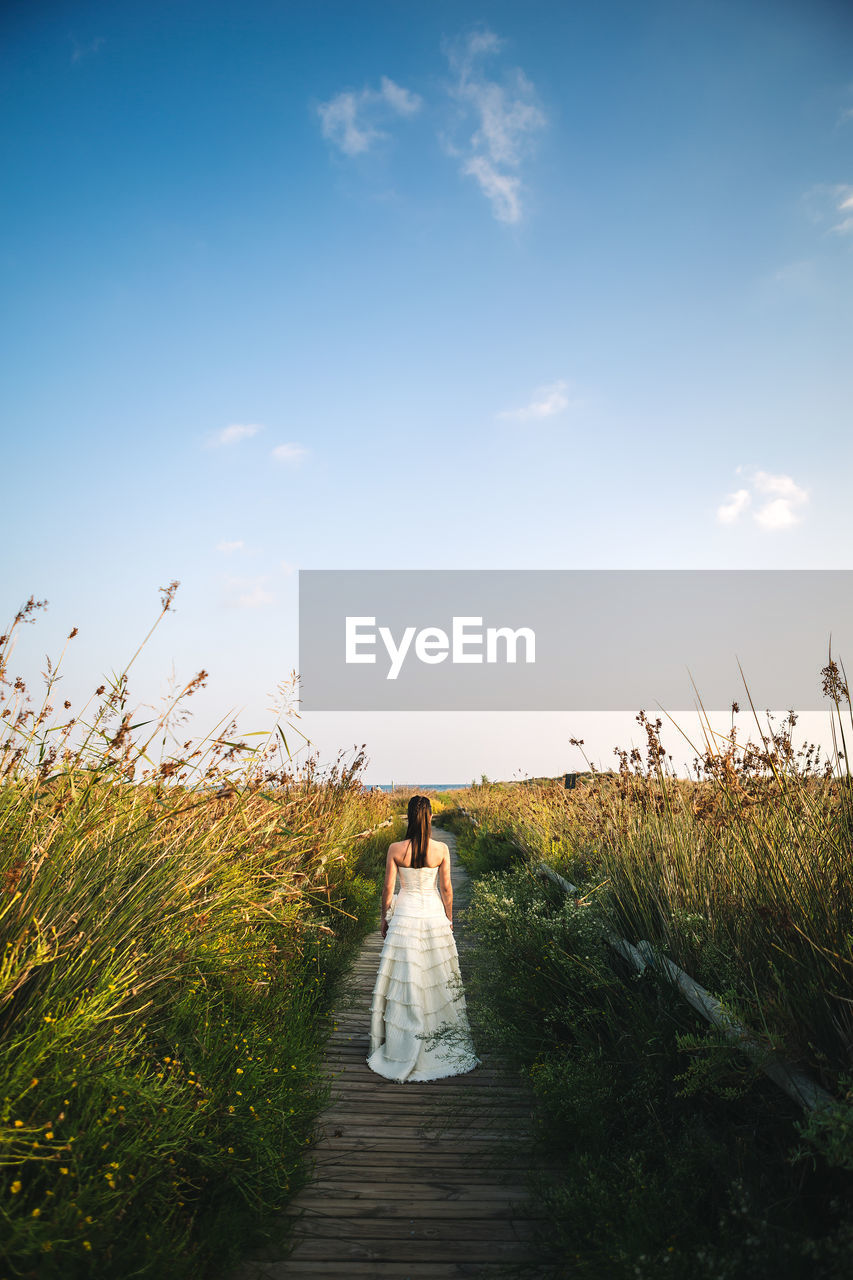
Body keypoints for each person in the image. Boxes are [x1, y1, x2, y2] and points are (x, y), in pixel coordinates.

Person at [367, 795, 480, 1082]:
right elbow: (446, 890)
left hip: (404, 916)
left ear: (408, 816)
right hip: (432, 916)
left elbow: (388, 889)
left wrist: (384, 917)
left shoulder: (395, 848)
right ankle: (435, 1035)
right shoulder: (441, 849)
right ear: (429, 817)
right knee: (436, 974)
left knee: (404, 977)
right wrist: (449, 918)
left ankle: (401, 1040)